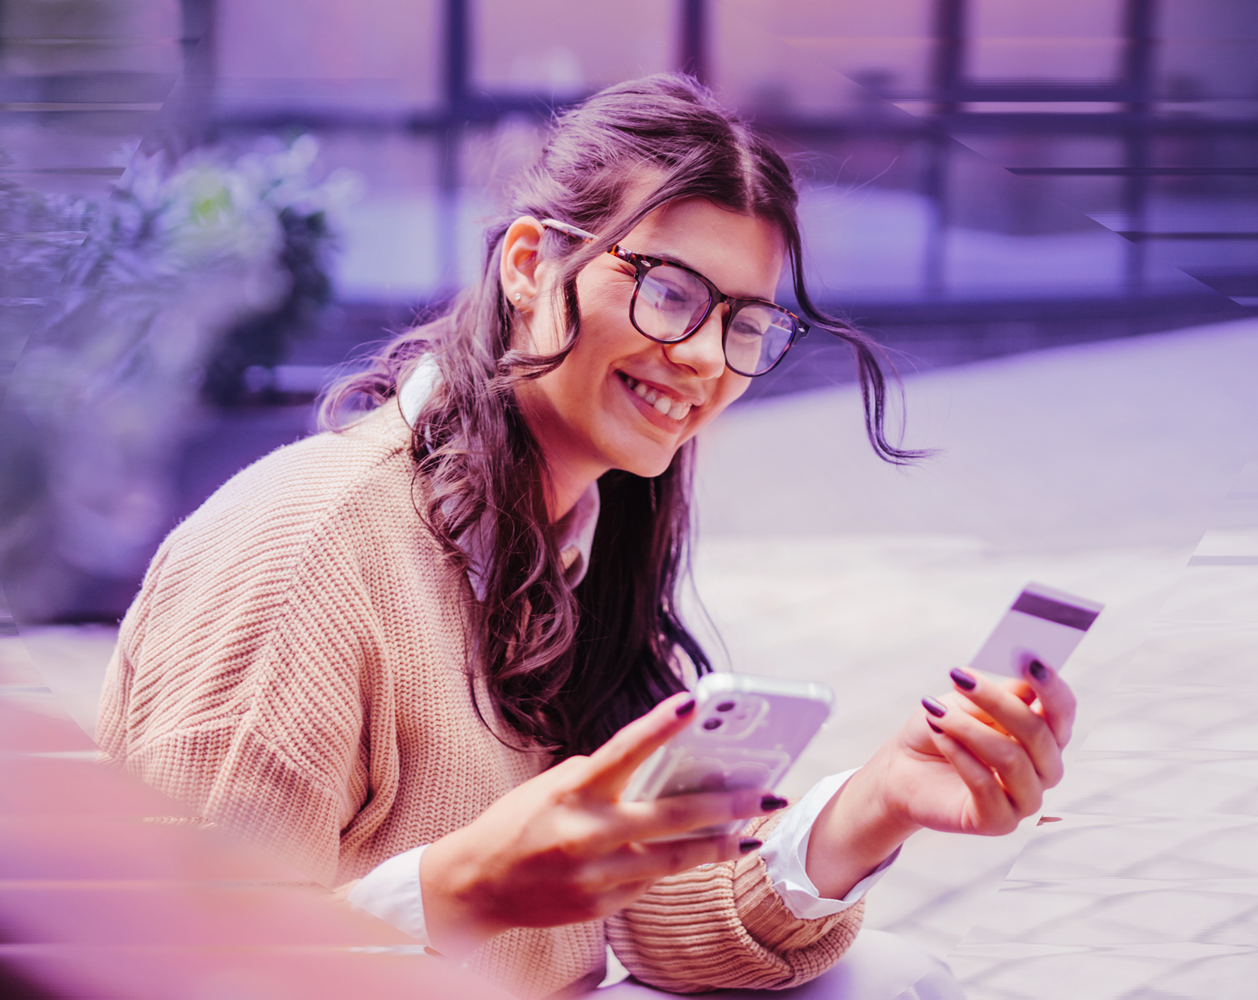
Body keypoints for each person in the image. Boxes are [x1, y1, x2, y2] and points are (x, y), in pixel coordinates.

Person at [97, 75, 1075, 1000]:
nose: (700, 358)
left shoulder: (576, 541)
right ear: (529, 266)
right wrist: (457, 890)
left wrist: (880, 801)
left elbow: (654, 912)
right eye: (668, 289)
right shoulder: (302, 548)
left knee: (895, 974)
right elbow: (184, 967)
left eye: (744, 324)